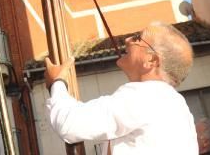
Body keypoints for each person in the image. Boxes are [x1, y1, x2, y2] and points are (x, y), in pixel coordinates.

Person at [45, 22, 198, 154]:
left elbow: (70, 124)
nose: (127, 39)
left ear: (151, 60)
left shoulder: (146, 96)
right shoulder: (175, 104)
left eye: (137, 38)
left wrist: (57, 83)